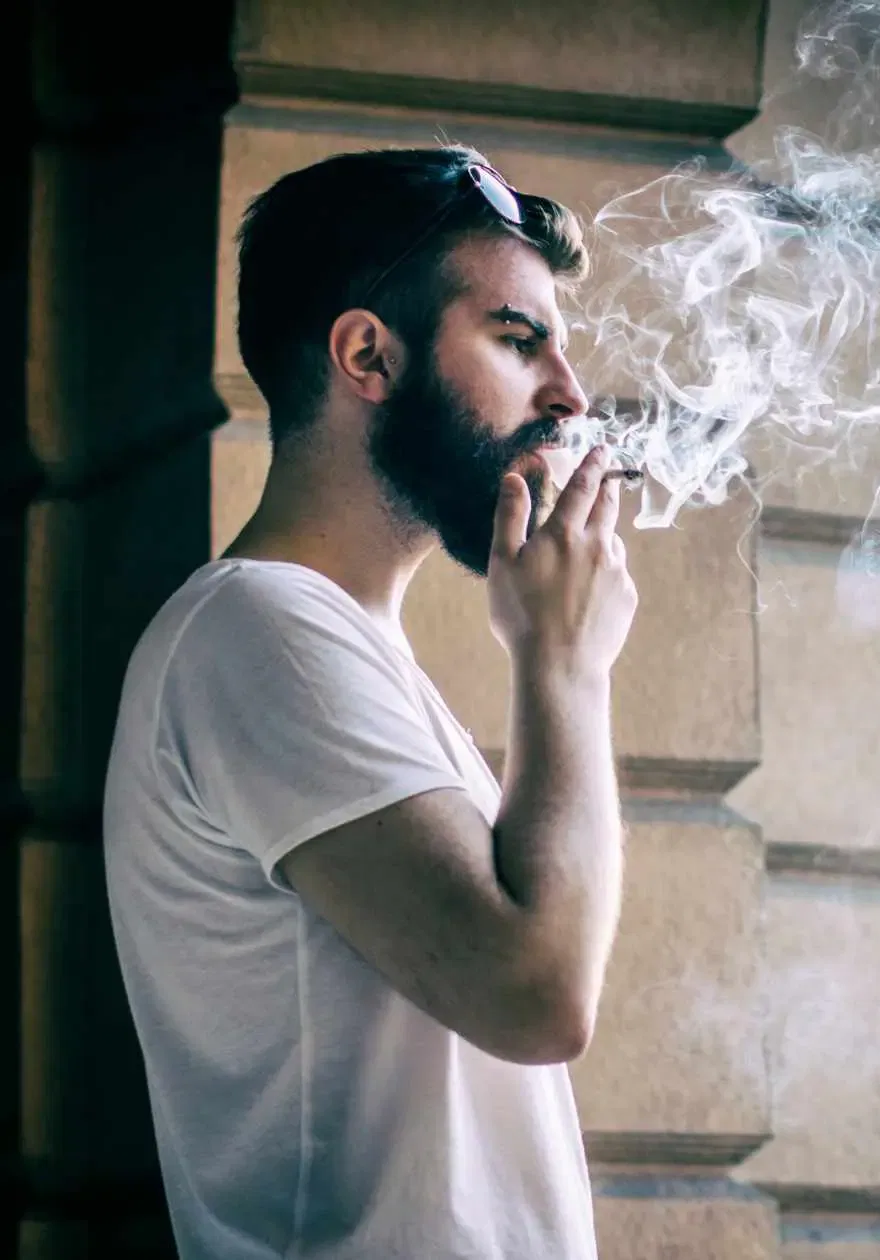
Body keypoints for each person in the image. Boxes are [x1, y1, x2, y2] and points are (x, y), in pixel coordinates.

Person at [103, 146, 638, 1259]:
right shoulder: (258, 634)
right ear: (367, 356)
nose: (570, 396)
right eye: (518, 339)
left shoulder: (326, 645)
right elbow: (536, 995)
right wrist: (567, 669)